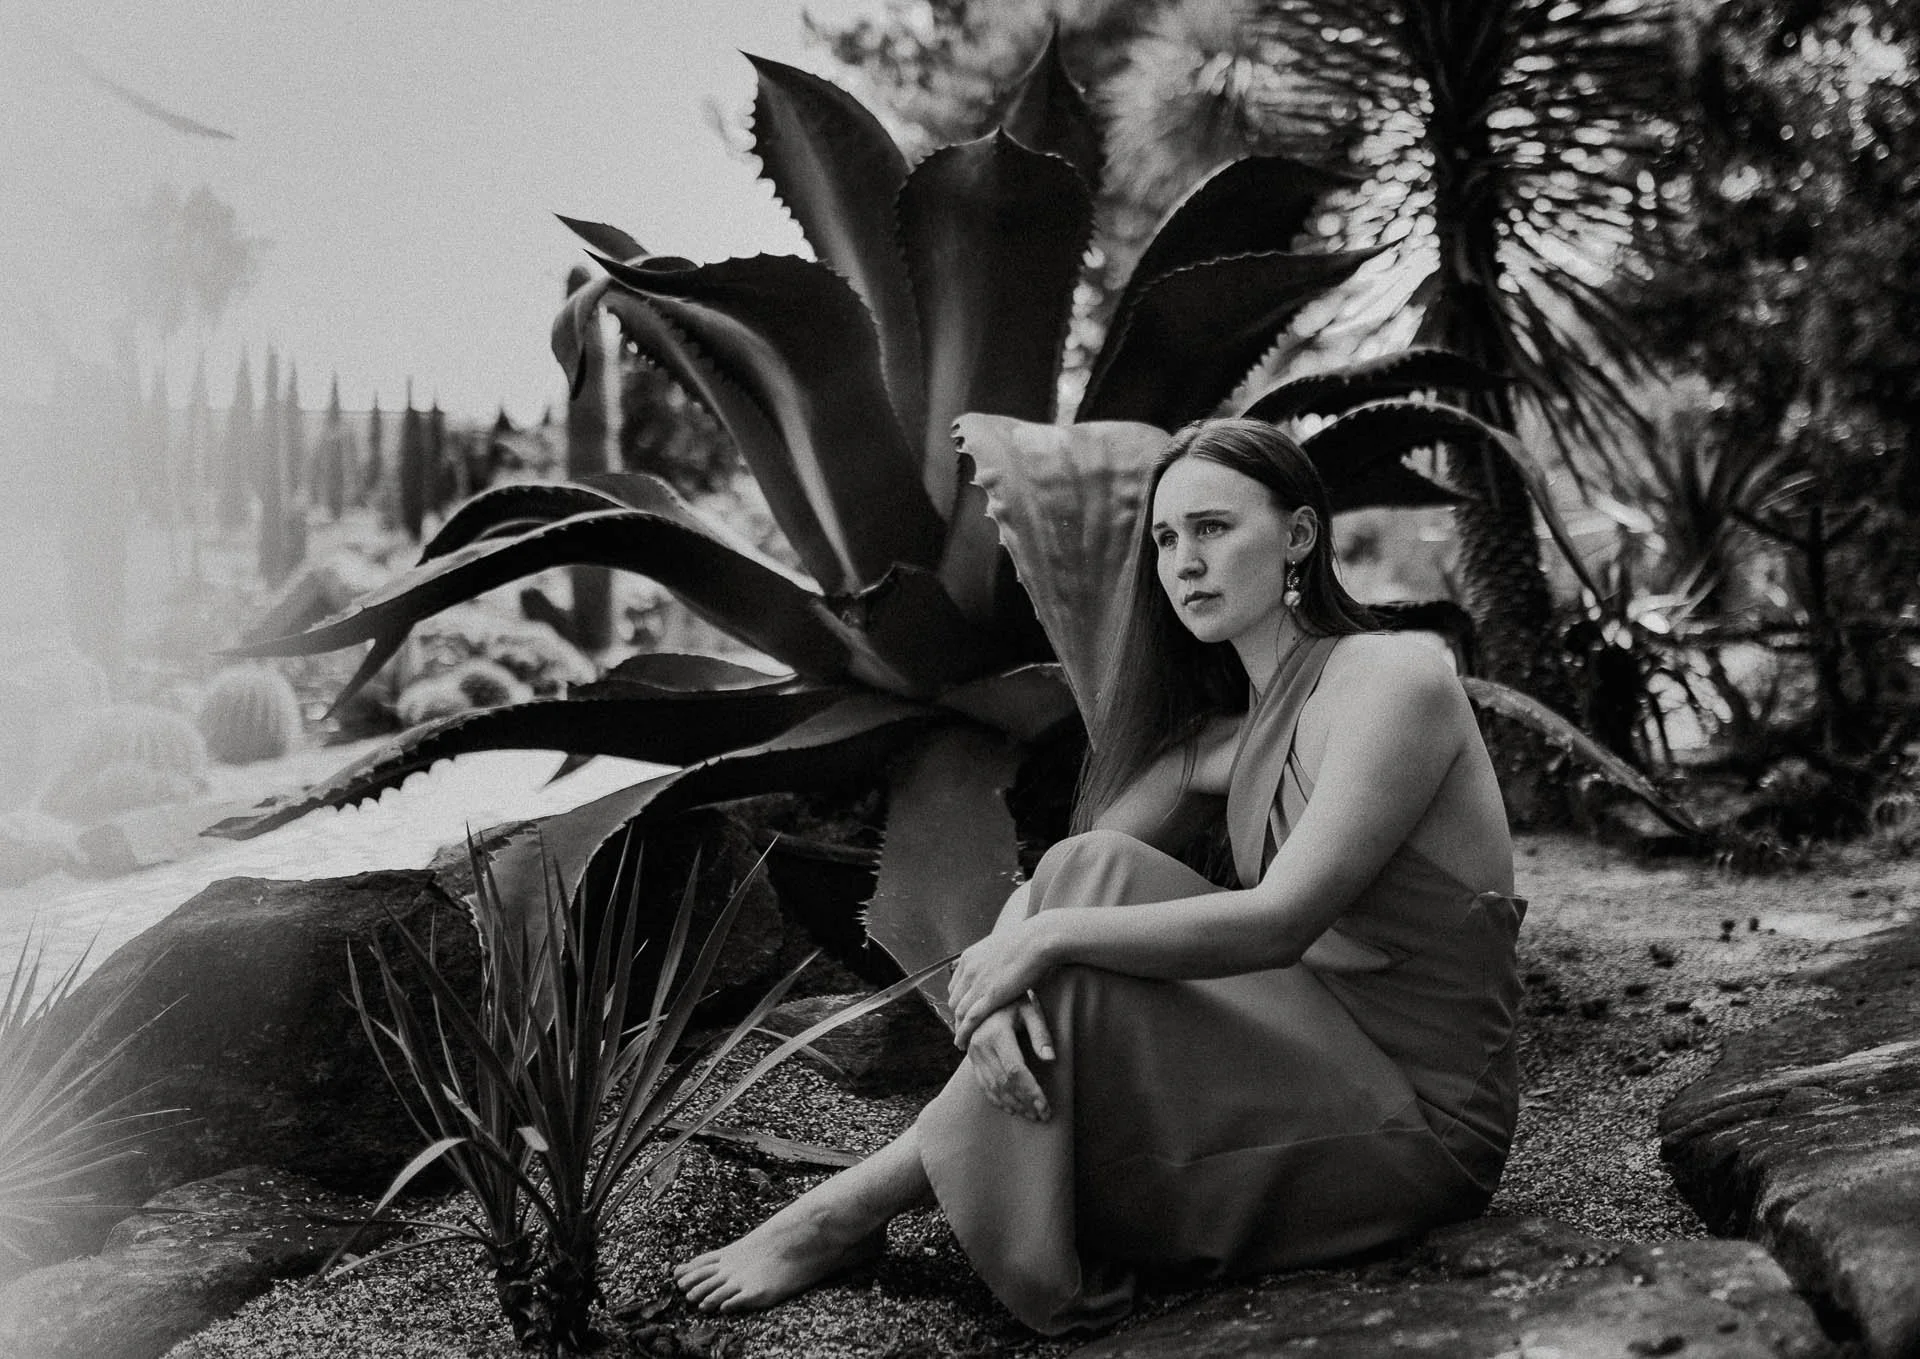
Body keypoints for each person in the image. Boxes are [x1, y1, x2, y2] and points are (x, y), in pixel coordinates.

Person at [674, 417, 1526, 1333]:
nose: (1183, 562)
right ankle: (882, 1197)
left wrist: (1041, 943)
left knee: (1074, 958)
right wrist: (997, 991)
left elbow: (1278, 921)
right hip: (1310, 1050)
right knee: (1092, 867)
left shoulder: (1394, 679)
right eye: (1164, 539)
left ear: (1300, 535)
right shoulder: (1222, 740)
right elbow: (1065, 875)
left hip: (1418, 1118)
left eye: (1212, 528)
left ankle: (844, 1208)